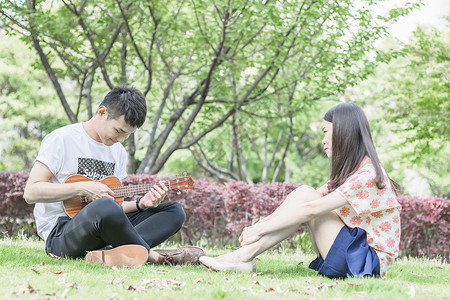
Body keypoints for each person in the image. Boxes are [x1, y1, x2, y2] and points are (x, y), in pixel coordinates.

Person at [199, 103, 401, 278]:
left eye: (325, 132)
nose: (322, 140)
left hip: (363, 261)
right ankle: (244, 256)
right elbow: (308, 198)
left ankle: (242, 257)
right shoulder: (356, 171)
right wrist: (264, 222)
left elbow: (310, 209)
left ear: (342, 133)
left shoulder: (368, 174)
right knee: (305, 191)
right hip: (353, 254)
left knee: (307, 197)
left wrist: (258, 229)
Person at [24, 86, 205, 267]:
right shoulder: (62, 139)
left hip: (102, 231)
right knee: (104, 206)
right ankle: (153, 256)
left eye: (127, 135)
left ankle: (111, 252)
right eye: (119, 131)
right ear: (102, 112)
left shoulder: (117, 151)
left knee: (174, 210)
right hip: (61, 233)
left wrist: (140, 204)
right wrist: (82, 187)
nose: (121, 139)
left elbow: (113, 209)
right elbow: (31, 192)